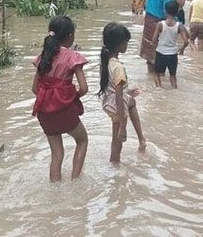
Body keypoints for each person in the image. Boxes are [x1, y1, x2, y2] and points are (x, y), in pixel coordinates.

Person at [32, 15, 89, 181]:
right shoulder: (73, 57)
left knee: (57, 154)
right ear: (70, 36)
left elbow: (35, 89)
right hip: (64, 110)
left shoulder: (43, 57)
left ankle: (55, 190)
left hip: (44, 112)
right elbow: (84, 88)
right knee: (82, 140)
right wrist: (67, 99)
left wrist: (50, 99)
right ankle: (75, 180)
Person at [99, 22, 146, 163]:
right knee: (117, 139)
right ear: (120, 44)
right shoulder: (118, 67)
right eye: (126, 42)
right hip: (116, 105)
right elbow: (119, 97)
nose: (127, 45)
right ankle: (114, 165)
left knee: (132, 102)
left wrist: (127, 90)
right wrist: (123, 126)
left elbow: (111, 86)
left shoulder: (106, 61)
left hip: (109, 101)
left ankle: (141, 140)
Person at [140, 0, 179, 71]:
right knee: (161, 55)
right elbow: (169, 13)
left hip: (148, 20)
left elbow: (146, 2)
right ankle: (158, 83)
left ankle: (150, 79)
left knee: (150, 55)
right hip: (160, 24)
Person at [152, 0, 189, 88]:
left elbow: (154, 40)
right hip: (173, 54)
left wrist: (155, 47)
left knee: (156, 74)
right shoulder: (179, 25)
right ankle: (174, 90)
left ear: (165, 11)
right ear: (176, 12)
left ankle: (159, 90)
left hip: (161, 52)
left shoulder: (160, 24)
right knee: (172, 76)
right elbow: (186, 41)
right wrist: (182, 49)